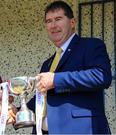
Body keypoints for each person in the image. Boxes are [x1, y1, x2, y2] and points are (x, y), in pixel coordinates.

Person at [28, 1, 112, 134]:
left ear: (72, 22)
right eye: (49, 21)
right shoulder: (47, 63)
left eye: (58, 19)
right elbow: (42, 97)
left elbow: (102, 76)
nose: (53, 25)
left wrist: (55, 80)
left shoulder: (91, 45)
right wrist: (16, 110)